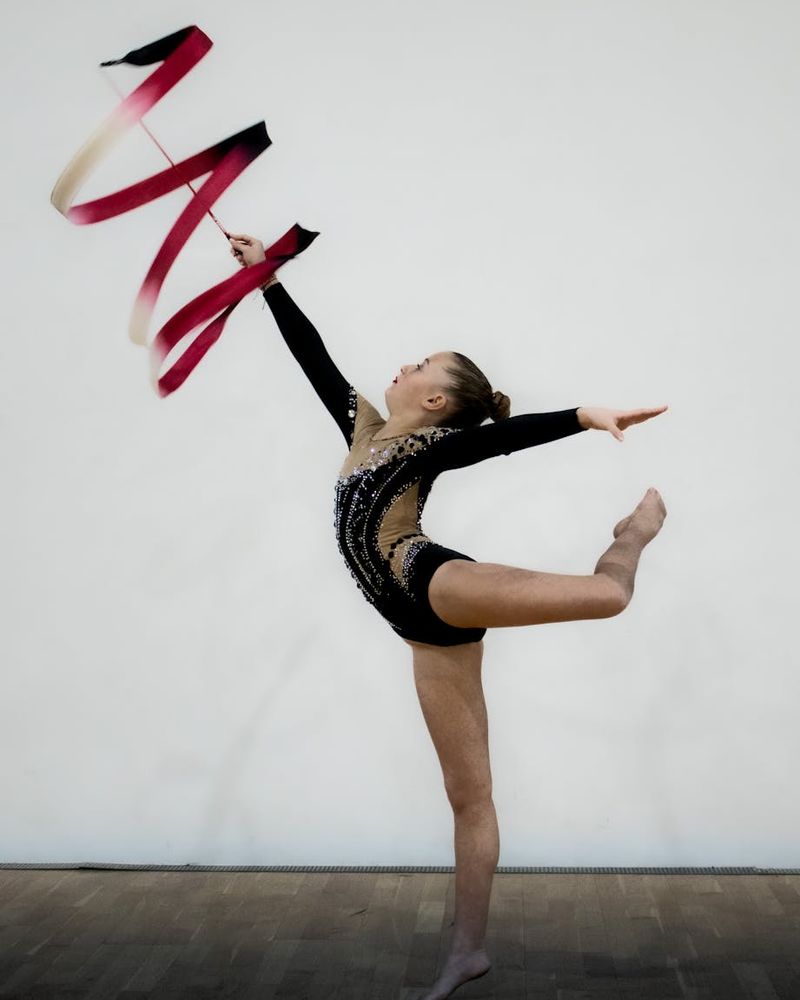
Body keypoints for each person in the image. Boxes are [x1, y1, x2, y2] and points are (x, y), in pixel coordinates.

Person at [228, 233, 668, 1000]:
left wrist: (582, 416)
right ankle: (467, 952)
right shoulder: (364, 428)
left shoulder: (432, 445)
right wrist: (266, 276)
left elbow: (499, 442)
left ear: (435, 401)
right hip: (414, 627)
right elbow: (311, 355)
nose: (402, 364)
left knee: (608, 596)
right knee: (469, 795)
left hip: (429, 581)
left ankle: (632, 535)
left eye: (420, 364)